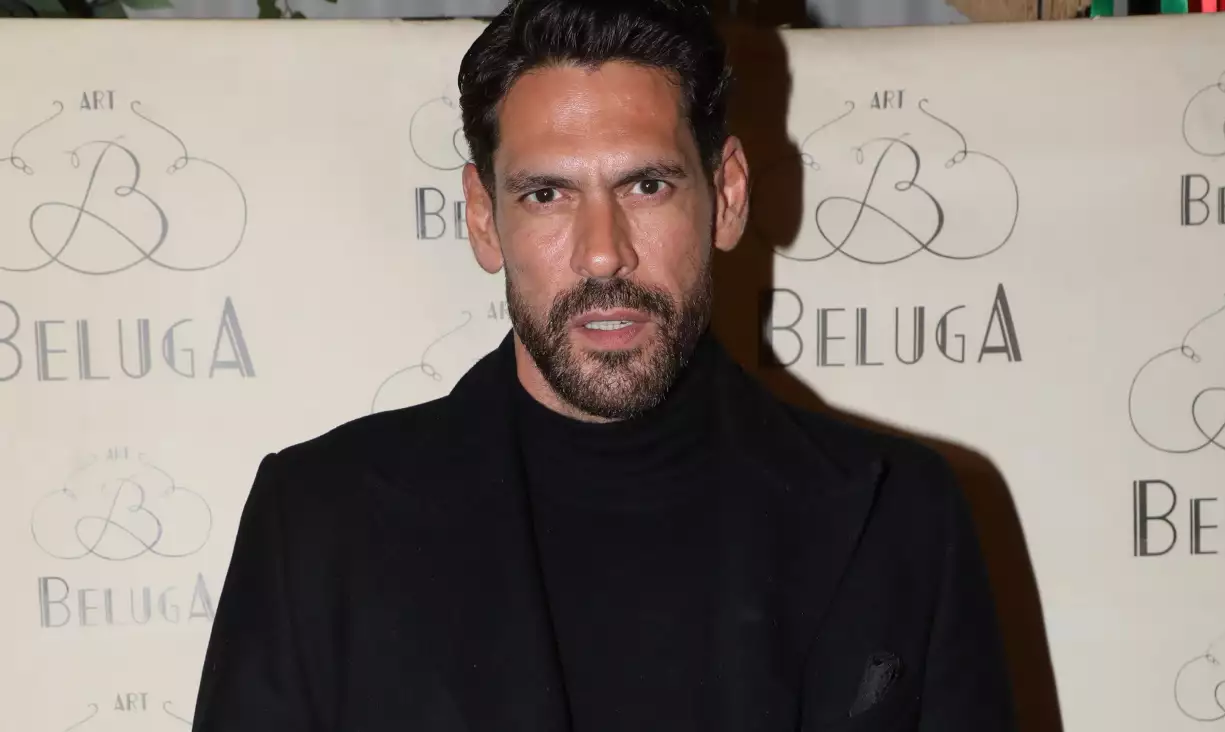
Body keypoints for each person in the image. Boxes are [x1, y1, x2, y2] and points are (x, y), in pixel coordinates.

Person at [191, 1, 1016, 730]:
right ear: (483, 218)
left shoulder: (905, 515)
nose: (601, 254)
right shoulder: (319, 523)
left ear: (727, 195)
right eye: (545, 194)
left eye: (646, 185)